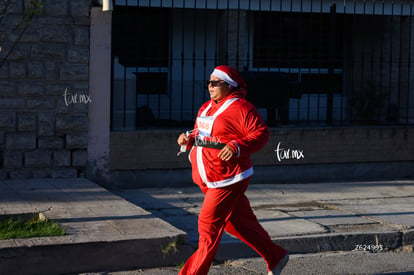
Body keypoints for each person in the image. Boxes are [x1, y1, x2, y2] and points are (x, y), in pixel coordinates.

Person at [177, 65, 289, 275]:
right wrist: (188, 139)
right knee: (236, 224)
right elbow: (203, 133)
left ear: (229, 86)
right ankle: (276, 256)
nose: (209, 86)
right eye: (209, 82)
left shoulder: (241, 107)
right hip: (209, 177)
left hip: (228, 177)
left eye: (215, 83)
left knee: (207, 225)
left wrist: (237, 146)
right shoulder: (206, 107)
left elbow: (261, 133)